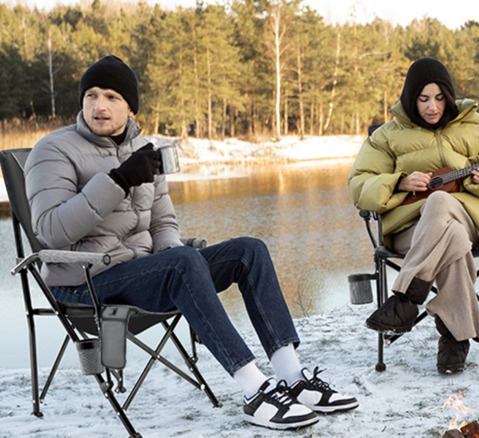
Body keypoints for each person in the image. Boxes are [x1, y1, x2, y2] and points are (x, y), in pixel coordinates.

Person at [25, 55, 357, 430]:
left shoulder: (144, 150)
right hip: (85, 283)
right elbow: (50, 232)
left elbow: (163, 222)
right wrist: (117, 181)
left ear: (130, 107)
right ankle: (255, 391)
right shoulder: (52, 150)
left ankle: (293, 379)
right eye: (92, 95)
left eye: (112, 97)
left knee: (249, 251)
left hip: (144, 273)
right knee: (182, 263)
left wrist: (170, 252)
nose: (99, 105)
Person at [347, 57, 479, 374]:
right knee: (449, 237)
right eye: (423, 98)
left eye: (439, 98)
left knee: (441, 202)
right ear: (411, 99)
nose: (432, 107)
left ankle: (405, 299)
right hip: (410, 230)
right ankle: (455, 337)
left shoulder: (478, 131)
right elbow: (358, 187)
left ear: (450, 97)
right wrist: (397, 182)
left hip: (470, 219)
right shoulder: (386, 136)